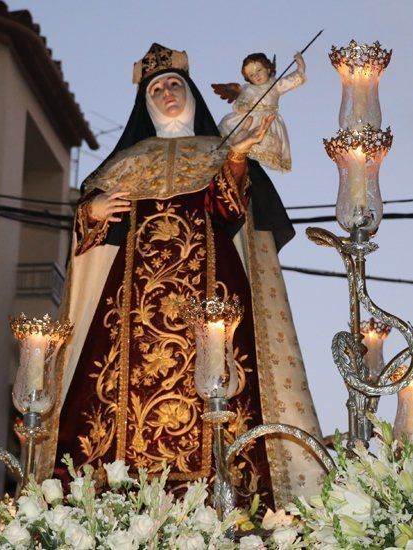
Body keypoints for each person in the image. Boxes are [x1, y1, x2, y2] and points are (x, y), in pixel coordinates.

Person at [40, 44, 325, 509]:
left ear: (191, 94)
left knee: (225, 397)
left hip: (210, 304)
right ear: (146, 104)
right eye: (157, 89)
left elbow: (231, 212)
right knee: (111, 400)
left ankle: (230, 503)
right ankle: (111, 506)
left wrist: (235, 160)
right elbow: (93, 237)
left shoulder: (217, 152)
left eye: (175, 84)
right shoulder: (124, 163)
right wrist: (90, 213)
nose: (168, 93)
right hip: (133, 310)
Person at [213, 52, 307, 172]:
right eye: (251, 75)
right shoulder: (248, 89)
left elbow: (293, 80)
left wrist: (301, 66)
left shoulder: (275, 84)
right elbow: (239, 104)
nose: (256, 76)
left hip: (267, 121)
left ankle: (251, 165)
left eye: (259, 70)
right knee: (228, 126)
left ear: (268, 69)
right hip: (250, 118)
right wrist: (244, 107)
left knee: (264, 141)